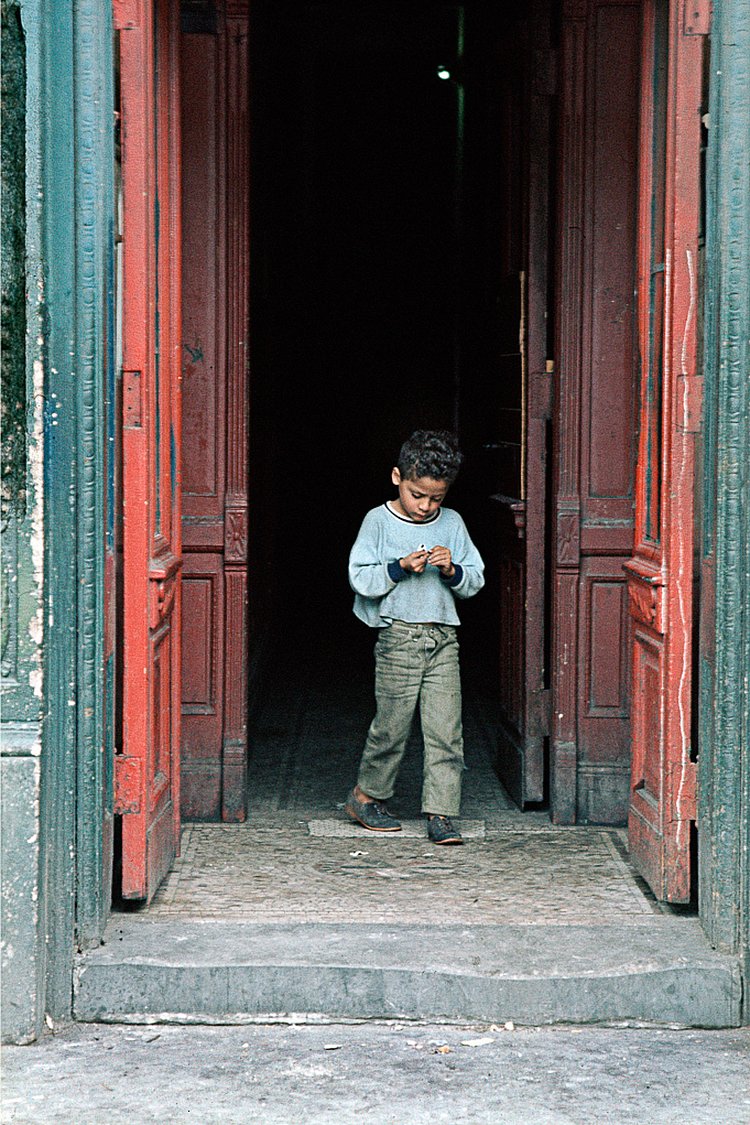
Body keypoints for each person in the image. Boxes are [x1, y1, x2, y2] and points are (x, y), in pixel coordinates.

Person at [345, 429, 485, 845]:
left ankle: (442, 812)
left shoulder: (453, 523)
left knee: (447, 731)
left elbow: (475, 579)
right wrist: (400, 566)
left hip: (443, 640)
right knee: (391, 727)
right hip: (398, 639)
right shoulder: (377, 521)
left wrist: (452, 570)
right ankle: (365, 797)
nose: (426, 506)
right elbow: (360, 578)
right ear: (397, 477)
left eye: (436, 498)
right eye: (417, 494)